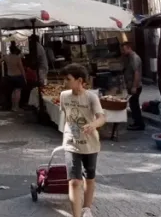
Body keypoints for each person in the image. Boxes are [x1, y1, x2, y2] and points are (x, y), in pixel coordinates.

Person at [59, 64, 106, 217]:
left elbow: (102, 118)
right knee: (74, 181)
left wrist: (92, 125)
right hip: (71, 143)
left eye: (68, 79)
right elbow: (66, 117)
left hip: (90, 145)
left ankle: (87, 208)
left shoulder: (91, 97)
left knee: (89, 177)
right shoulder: (64, 96)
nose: (64, 82)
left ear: (79, 80)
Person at [122, 42, 144, 130]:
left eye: (124, 50)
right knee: (133, 104)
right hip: (131, 86)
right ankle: (137, 122)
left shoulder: (135, 58)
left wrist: (134, 86)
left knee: (134, 105)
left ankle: (139, 124)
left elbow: (136, 73)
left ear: (129, 48)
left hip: (136, 86)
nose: (123, 52)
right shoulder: (130, 58)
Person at [4, 42, 26, 111]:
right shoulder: (17, 58)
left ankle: (13, 106)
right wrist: (24, 78)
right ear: (15, 50)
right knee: (18, 91)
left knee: (13, 92)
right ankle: (16, 107)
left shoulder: (6, 57)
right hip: (18, 76)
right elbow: (22, 69)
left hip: (10, 76)